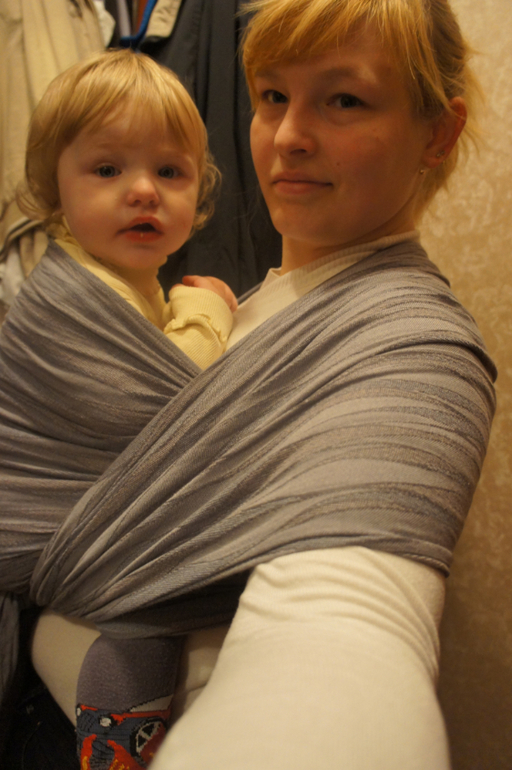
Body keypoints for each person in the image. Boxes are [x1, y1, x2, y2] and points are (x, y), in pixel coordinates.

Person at [3, 1, 497, 768]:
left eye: (344, 99)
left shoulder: (413, 349)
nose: (288, 135)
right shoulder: (238, 304)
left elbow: (343, 624)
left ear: (437, 133)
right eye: (272, 95)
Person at [0, 49, 238, 768]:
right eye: (107, 169)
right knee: (157, 595)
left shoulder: (133, 279)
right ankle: (116, 741)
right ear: (55, 190)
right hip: (35, 525)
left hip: (80, 515)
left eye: (170, 172)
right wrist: (208, 310)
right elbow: (173, 405)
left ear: (199, 192)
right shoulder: (74, 296)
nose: (143, 191)